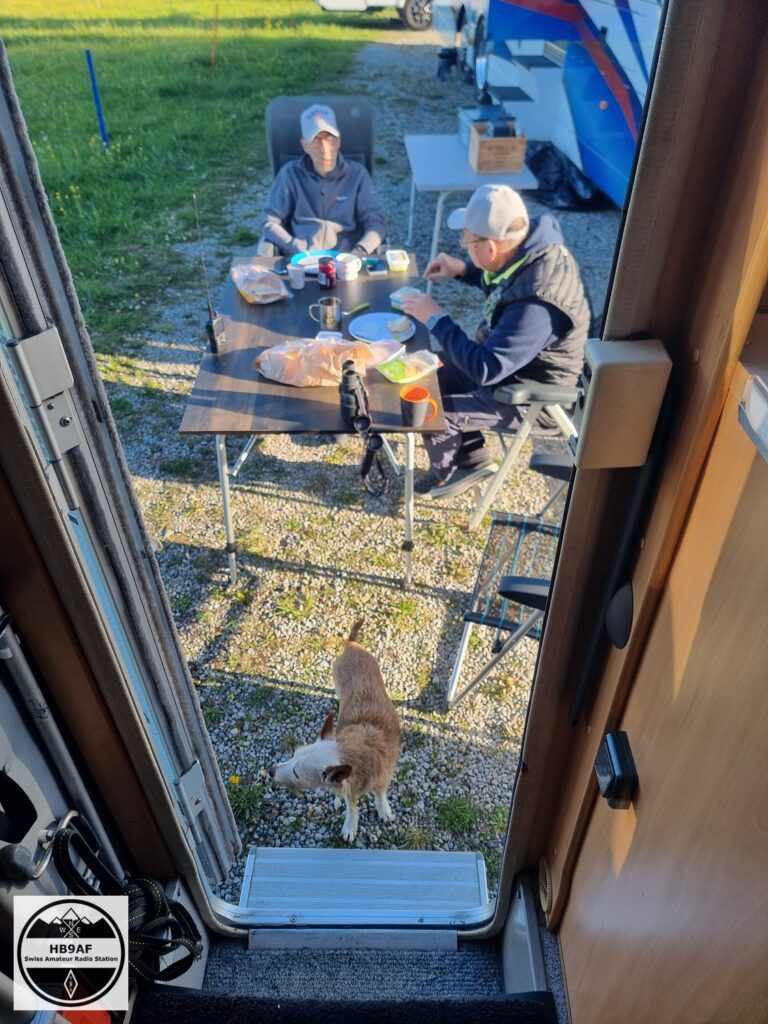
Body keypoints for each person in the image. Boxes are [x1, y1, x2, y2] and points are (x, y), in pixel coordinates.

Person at [400, 184, 590, 499]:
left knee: (433, 408)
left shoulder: (537, 303)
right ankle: (473, 459)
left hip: (533, 393)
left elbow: (485, 370)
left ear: (489, 247)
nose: (463, 246)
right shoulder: (530, 248)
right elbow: (505, 279)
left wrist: (436, 318)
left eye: (467, 242)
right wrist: (463, 270)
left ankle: (448, 474)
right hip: (514, 365)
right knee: (429, 373)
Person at [261, 103, 387, 258]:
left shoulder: (358, 175)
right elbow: (270, 222)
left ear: (339, 141)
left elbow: (377, 223)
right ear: (304, 145)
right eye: (316, 141)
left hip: (347, 260)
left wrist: (359, 252)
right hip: (302, 260)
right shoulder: (289, 174)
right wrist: (292, 247)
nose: (325, 150)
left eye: (330, 139)